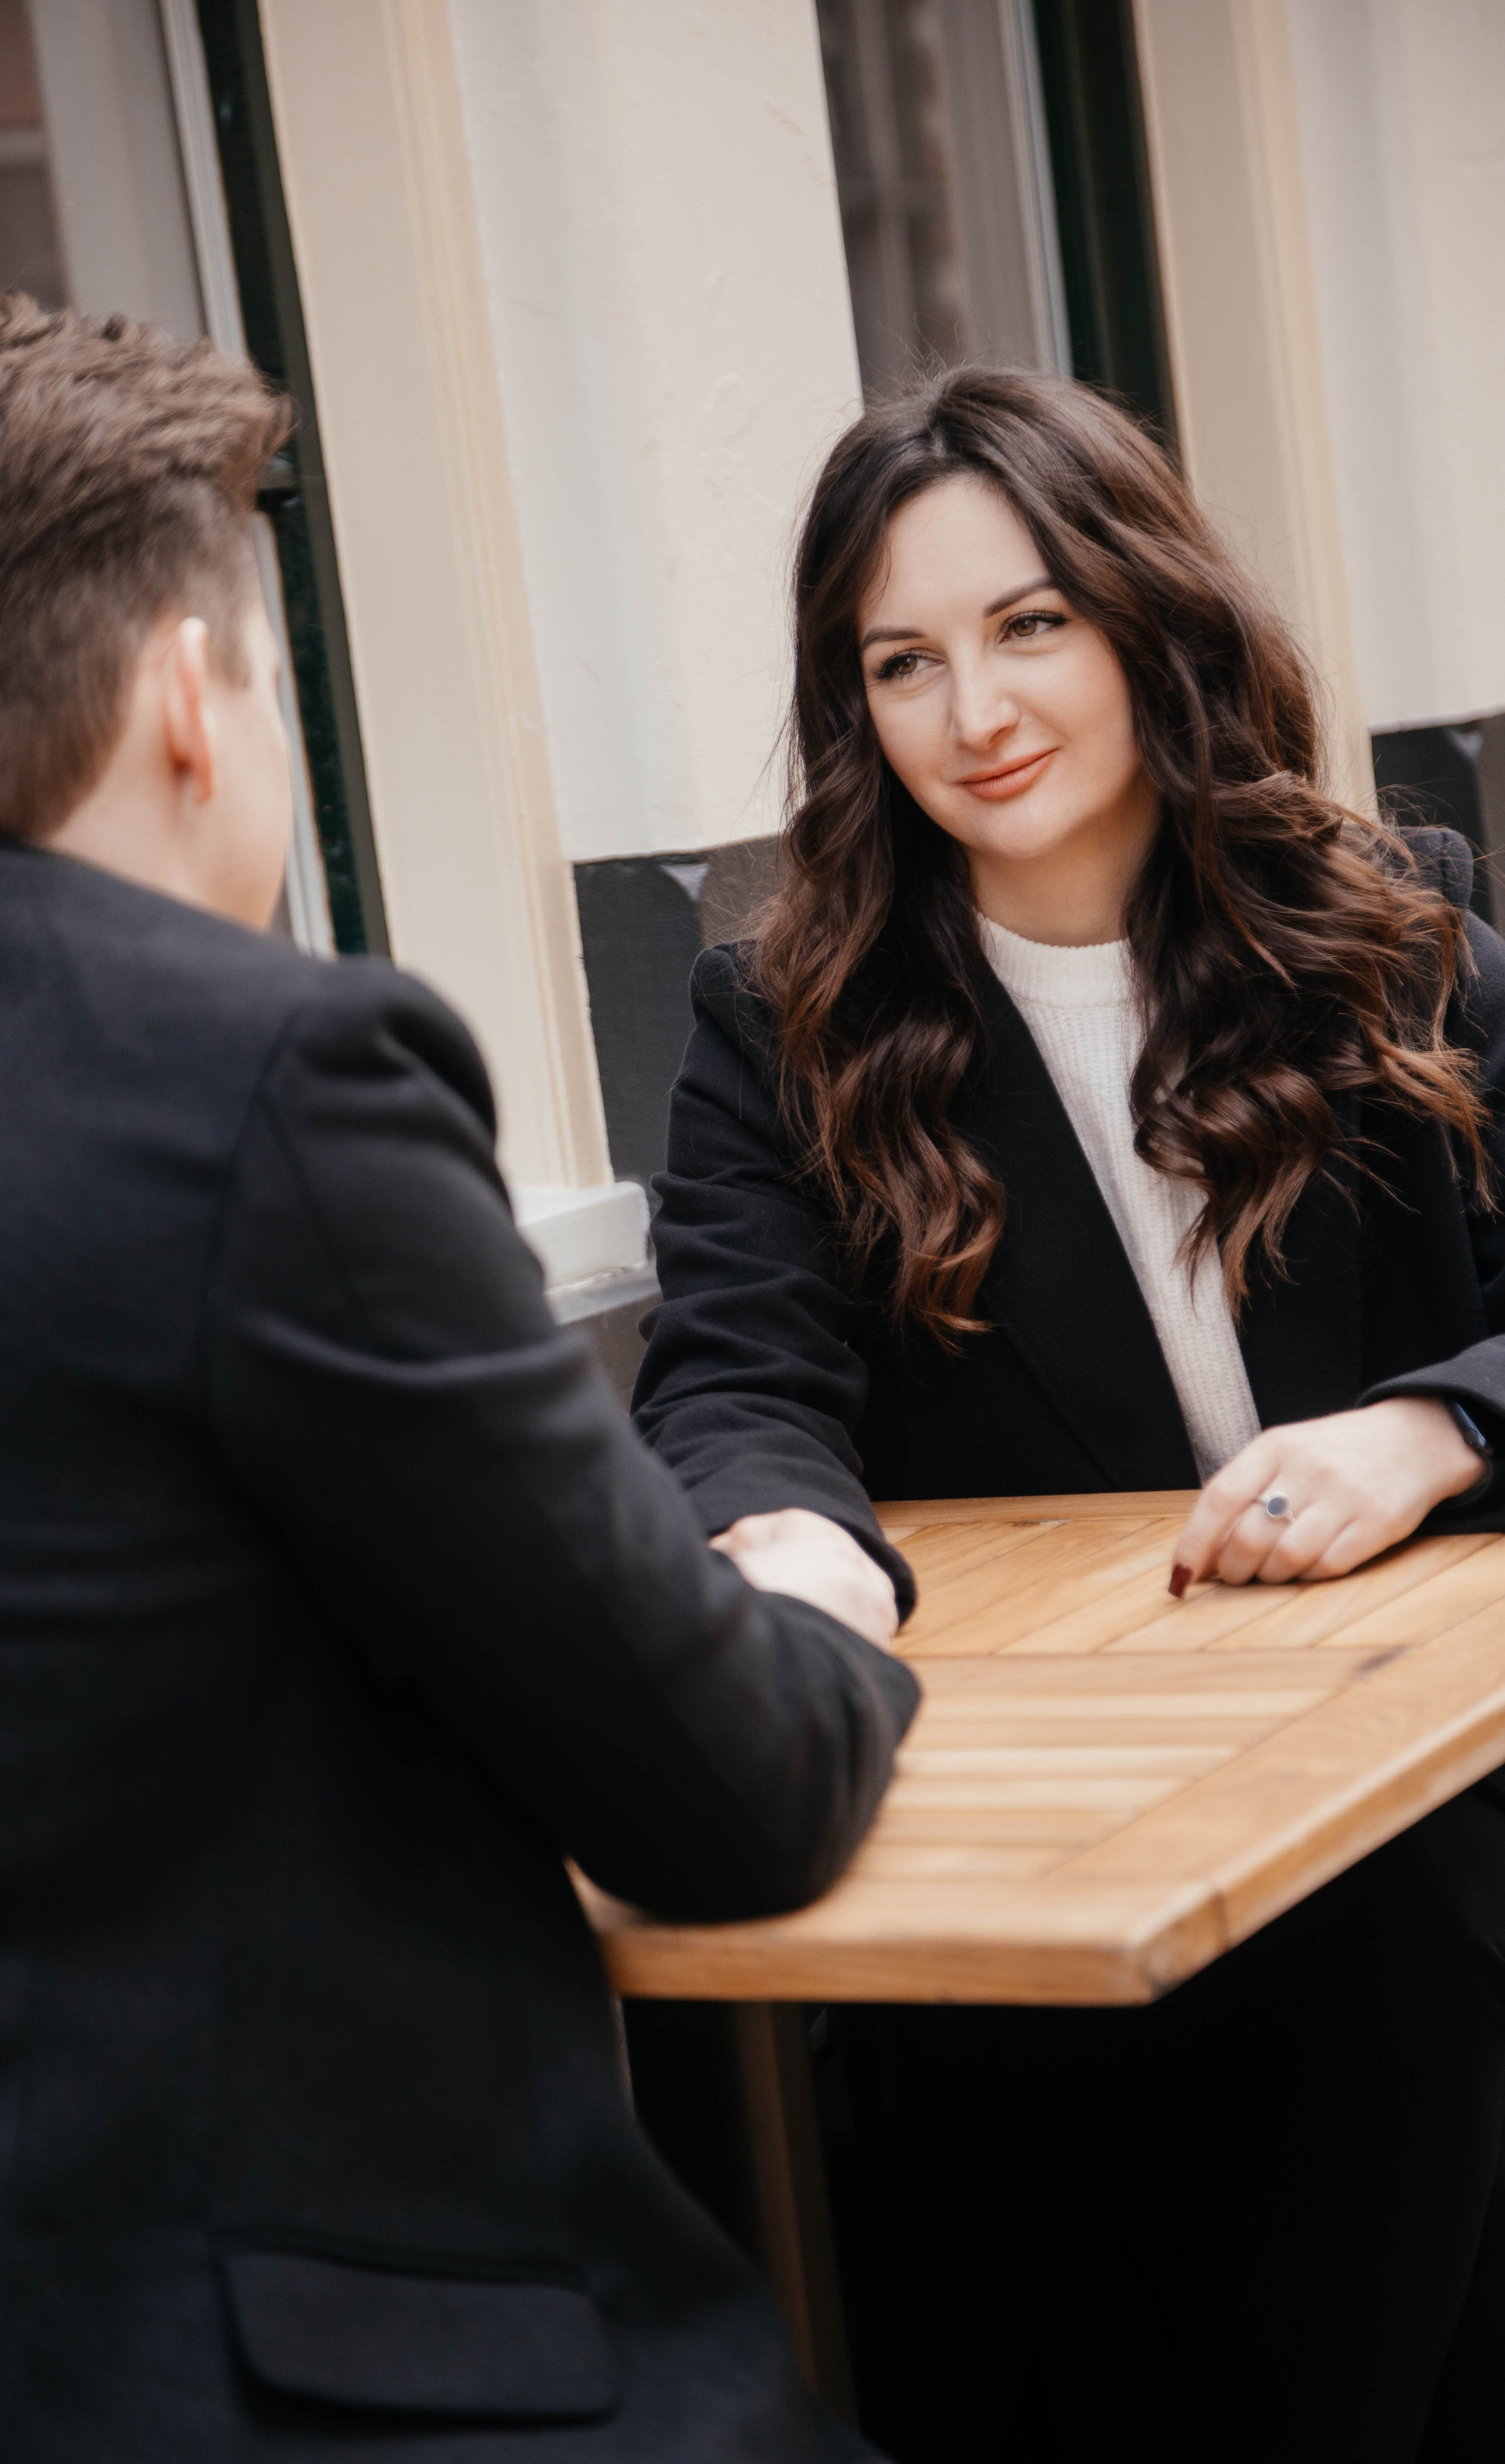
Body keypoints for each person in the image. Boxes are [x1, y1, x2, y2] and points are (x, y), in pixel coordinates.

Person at [0, 295, 918, 2463]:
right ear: (192, 699)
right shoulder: (263, 1075)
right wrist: (825, 1606)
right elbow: (726, 1794)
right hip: (283, 2378)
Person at [632, 367, 1505, 2464]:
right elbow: (739, 1375)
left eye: (1030, 625)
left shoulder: (1395, 934)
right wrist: (791, 1546)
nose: (977, 711)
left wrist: (1434, 1432)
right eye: (902, 662)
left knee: (1393, 2034)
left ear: (1144, 618)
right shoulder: (786, 1019)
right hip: (1068, 1842)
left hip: (1419, 1805)